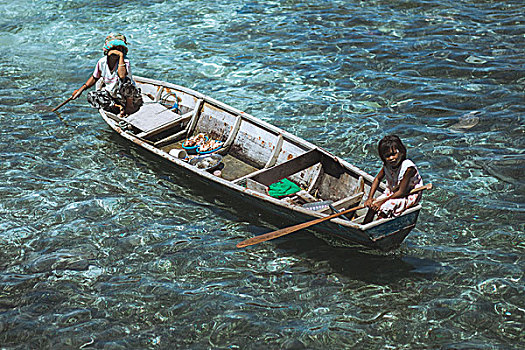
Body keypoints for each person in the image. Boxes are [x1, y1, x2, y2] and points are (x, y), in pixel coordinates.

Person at [71, 33, 143, 116]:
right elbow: (95, 77)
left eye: (120, 49)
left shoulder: (125, 62)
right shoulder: (102, 62)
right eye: (115, 48)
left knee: (125, 82)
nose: (117, 50)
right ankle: (117, 107)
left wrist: (121, 56)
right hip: (112, 96)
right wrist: (81, 89)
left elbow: (122, 76)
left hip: (128, 97)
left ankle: (129, 107)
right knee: (92, 96)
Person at [363, 135, 424, 224]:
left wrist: (381, 202)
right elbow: (377, 179)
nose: (391, 158)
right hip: (393, 192)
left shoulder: (408, 167)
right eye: (387, 156)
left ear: (402, 152)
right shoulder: (387, 166)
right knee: (373, 205)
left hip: (408, 194)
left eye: (394, 154)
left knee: (386, 207)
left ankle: (377, 224)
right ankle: (364, 225)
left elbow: (402, 192)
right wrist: (370, 198)